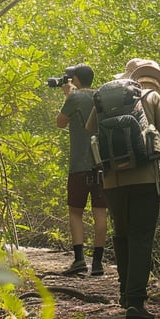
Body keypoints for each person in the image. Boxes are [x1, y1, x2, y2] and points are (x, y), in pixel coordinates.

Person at [87, 59, 160, 319]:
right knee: (141, 236)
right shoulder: (152, 97)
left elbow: (90, 128)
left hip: (112, 179)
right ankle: (136, 301)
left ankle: (125, 295)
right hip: (144, 178)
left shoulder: (106, 97)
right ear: (156, 79)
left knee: (122, 234)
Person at [56, 64, 110, 276]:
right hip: (101, 164)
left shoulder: (74, 98)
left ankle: (79, 260)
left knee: (75, 211)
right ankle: (97, 262)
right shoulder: (102, 97)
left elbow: (60, 123)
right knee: (100, 212)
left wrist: (68, 95)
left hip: (79, 164)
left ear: (76, 79)